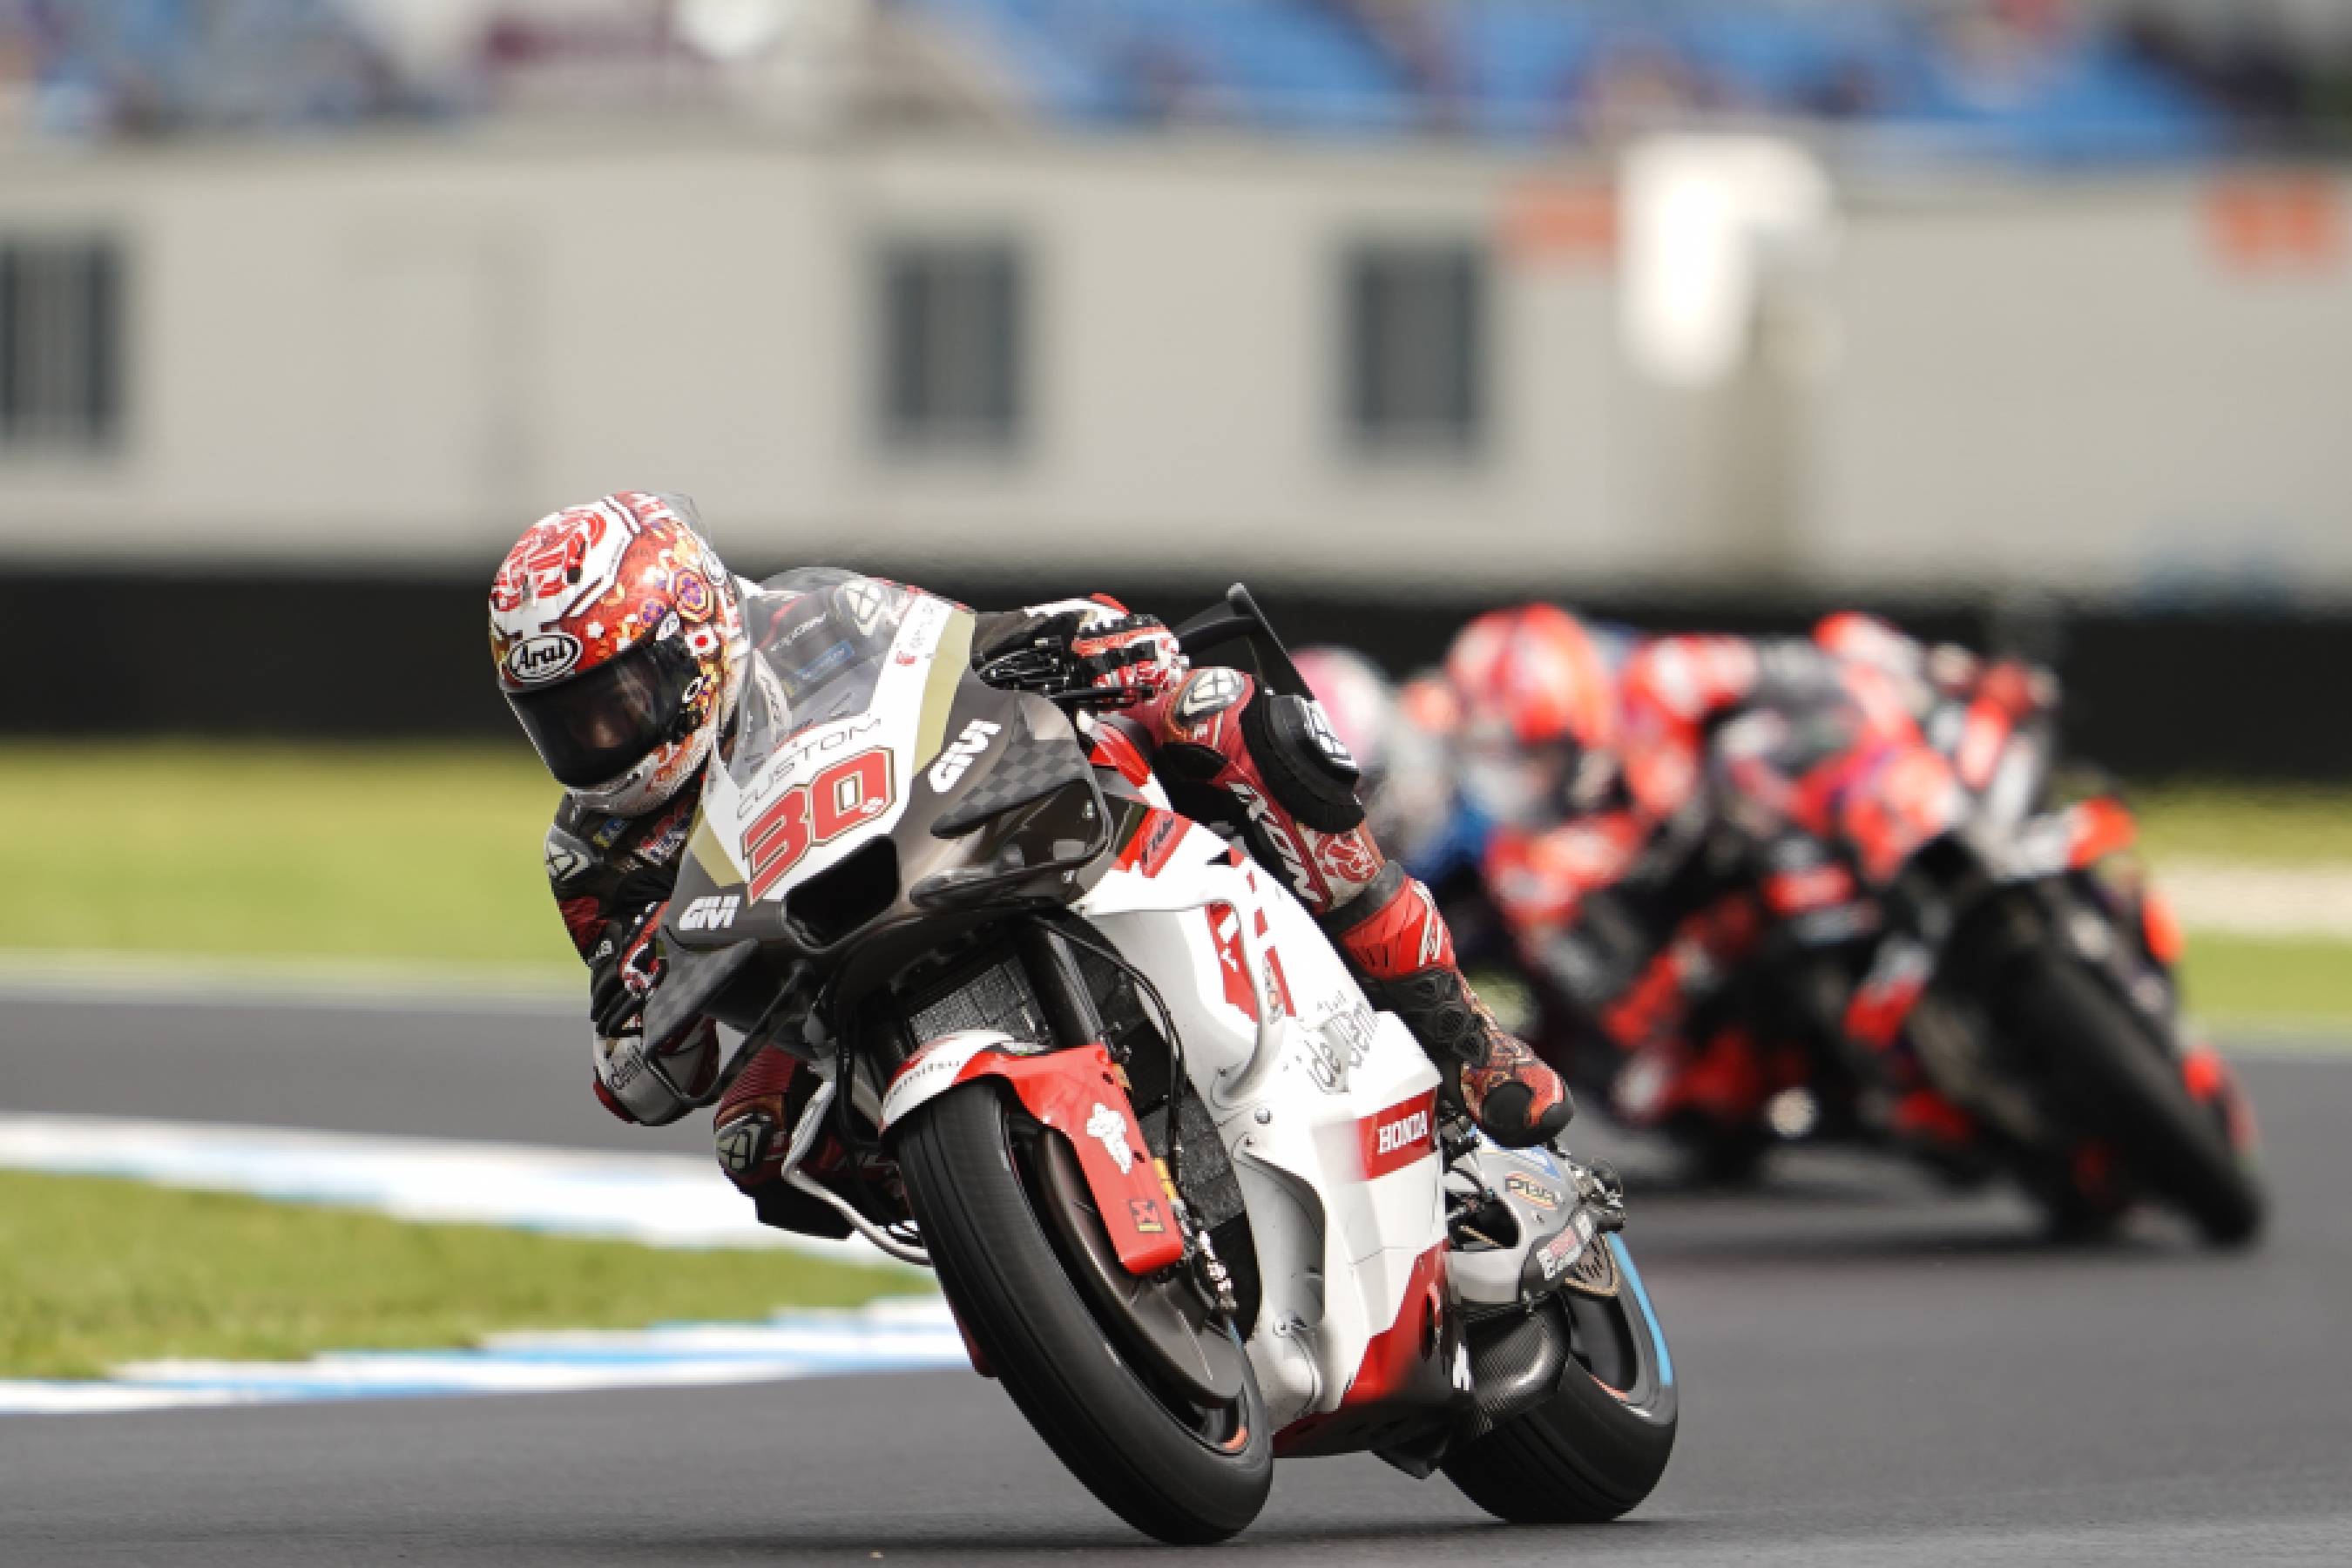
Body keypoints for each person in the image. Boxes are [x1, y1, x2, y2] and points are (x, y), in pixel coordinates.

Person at [488, 492, 1574, 1228]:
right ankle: (1027, 1220)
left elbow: (957, 647)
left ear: (696, 637)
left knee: (1220, 713)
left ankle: (1458, 1029)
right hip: (818, 982)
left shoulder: (808, 626)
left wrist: (1090, 637)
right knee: (755, 1144)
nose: (598, 742)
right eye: (566, 721)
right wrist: (647, 1005)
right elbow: (642, 1079)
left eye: (617, 700)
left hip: (962, 824)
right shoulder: (593, 853)